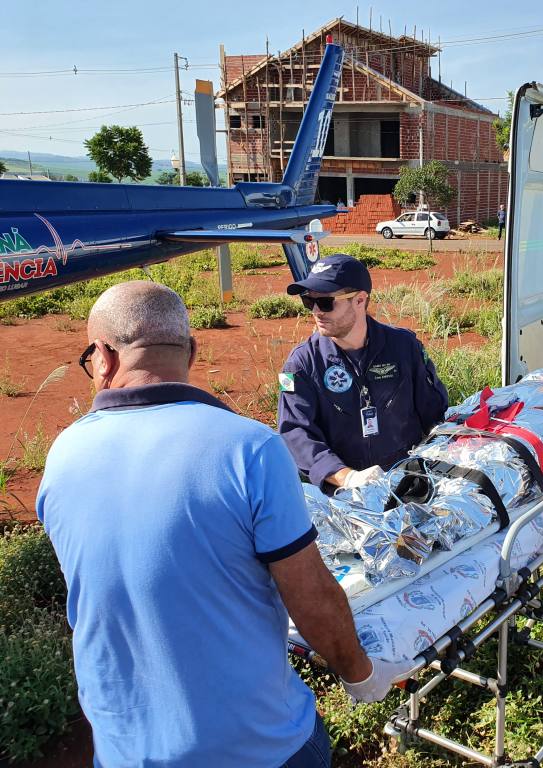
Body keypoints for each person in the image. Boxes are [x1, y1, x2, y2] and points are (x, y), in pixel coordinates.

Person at [36, 281, 407, 767]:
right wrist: (361, 675)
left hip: (125, 751)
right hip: (260, 747)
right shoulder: (249, 448)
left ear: (103, 358)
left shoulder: (62, 455)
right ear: (191, 350)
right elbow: (311, 598)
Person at [278, 254, 448, 492]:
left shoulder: (404, 347)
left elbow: (434, 411)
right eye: (309, 301)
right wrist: (346, 477)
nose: (316, 311)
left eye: (325, 302)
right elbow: (296, 432)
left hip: (409, 483)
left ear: (360, 300)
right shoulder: (302, 364)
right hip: (346, 495)